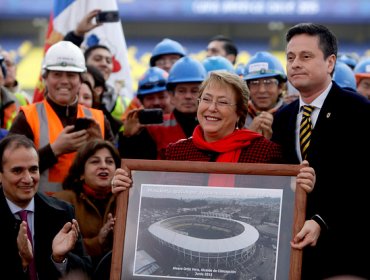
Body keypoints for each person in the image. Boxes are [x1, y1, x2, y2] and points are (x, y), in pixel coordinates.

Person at [271, 23, 370, 279]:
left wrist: (322, 221)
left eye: (306, 56)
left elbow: (363, 183)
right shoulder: (283, 117)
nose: (295, 64)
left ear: (330, 62)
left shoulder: (358, 110)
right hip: (293, 255)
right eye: (290, 57)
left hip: (346, 252)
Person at [10, 41, 114, 194]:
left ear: (81, 80)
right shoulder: (26, 117)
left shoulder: (98, 119)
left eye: (71, 75)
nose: (64, 81)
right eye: (57, 74)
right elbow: (11, 167)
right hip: (43, 212)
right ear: (45, 79)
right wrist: (54, 150)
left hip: (89, 210)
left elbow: (115, 167)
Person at [0, 134, 92, 279]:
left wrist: (60, 259)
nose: (28, 179)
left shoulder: (62, 212)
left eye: (33, 169)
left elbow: (87, 272)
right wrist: (22, 263)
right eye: (17, 170)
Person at [53, 139, 132, 269]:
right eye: (95, 161)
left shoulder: (125, 197)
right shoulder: (63, 201)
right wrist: (97, 242)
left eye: (109, 161)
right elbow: (58, 249)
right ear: (81, 173)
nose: (104, 166)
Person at [118, 56, 206, 159]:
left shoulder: (215, 126)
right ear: (171, 96)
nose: (188, 96)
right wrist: (130, 138)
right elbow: (136, 167)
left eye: (195, 91)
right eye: (181, 91)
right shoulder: (152, 129)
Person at [243, 51, 287, 139]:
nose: (262, 90)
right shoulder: (237, 116)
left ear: (280, 87)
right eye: (255, 83)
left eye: (268, 82)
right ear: (248, 88)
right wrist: (248, 136)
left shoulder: (292, 116)